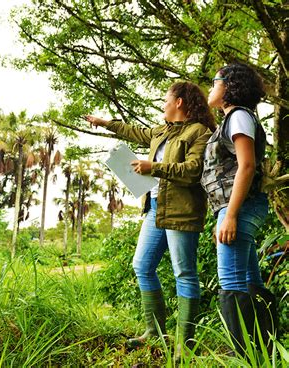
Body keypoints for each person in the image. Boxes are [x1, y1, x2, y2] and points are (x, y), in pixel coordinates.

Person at [85, 82, 215, 356]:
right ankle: (155, 330)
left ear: (179, 102)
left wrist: (152, 167)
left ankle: (185, 343)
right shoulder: (162, 131)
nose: (163, 104)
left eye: (166, 99)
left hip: (181, 209)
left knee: (184, 273)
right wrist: (104, 122)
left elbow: (192, 170)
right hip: (155, 207)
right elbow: (135, 131)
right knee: (142, 265)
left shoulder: (199, 132)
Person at [202, 63, 278, 356]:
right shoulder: (235, 119)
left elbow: (246, 166)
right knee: (249, 280)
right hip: (237, 206)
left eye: (215, 82)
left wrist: (231, 214)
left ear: (230, 85)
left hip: (242, 206)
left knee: (232, 283)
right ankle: (264, 350)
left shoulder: (238, 117)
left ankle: (245, 356)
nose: (211, 88)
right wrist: (224, 214)